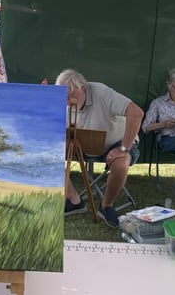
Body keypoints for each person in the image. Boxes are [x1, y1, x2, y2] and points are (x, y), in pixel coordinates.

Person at [56, 69, 143, 228]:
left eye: (71, 96)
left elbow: (136, 113)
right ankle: (75, 200)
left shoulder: (101, 92)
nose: (67, 102)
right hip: (84, 143)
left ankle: (106, 206)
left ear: (83, 87)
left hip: (117, 142)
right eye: (64, 98)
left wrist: (123, 148)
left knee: (121, 163)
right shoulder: (63, 100)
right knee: (49, 154)